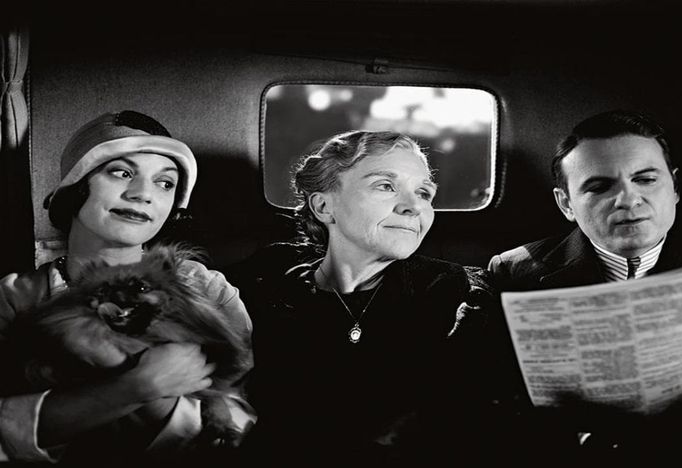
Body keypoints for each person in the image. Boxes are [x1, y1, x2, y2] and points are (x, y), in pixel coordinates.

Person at [230, 130, 505, 466]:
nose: (413, 207)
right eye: (385, 186)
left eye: (423, 193)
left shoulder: (457, 296)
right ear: (323, 206)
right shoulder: (263, 281)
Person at [0, 111, 254, 464]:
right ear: (76, 185)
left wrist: (160, 393)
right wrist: (132, 387)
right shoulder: (13, 297)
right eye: (122, 173)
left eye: (165, 183)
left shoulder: (207, 289)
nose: (142, 194)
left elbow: (243, 426)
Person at [489, 110, 682, 291]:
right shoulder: (513, 273)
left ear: (675, 187)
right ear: (566, 204)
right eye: (599, 188)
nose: (628, 200)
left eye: (646, 180)